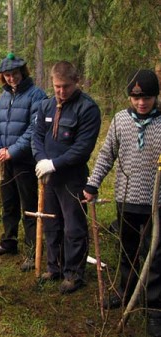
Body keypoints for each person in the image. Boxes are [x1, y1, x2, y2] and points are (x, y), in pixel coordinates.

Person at [83, 69, 161, 336]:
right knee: (127, 251)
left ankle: (154, 309)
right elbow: (106, 154)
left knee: (154, 256)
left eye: (147, 97)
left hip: (156, 203)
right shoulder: (119, 121)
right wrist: (93, 183)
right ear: (130, 97)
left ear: (155, 97)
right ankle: (126, 295)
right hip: (126, 199)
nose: (141, 103)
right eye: (136, 97)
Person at [32, 61, 101, 293]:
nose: (61, 92)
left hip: (73, 178)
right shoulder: (46, 106)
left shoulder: (87, 109)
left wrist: (54, 163)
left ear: (76, 81)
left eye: (66, 87)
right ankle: (55, 267)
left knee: (73, 226)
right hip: (48, 177)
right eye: (57, 86)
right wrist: (42, 160)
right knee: (51, 222)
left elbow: (82, 147)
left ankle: (74, 274)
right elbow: (37, 136)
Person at [0, 53, 47, 273]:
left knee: (29, 207)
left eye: (14, 74)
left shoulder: (36, 95)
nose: (11, 78)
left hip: (25, 161)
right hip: (6, 160)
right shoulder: (4, 97)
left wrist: (12, 151)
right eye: (7, 75)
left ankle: (32, 251)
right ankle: (8, 242)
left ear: (23, 72)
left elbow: (35, 129)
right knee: (8, 203)